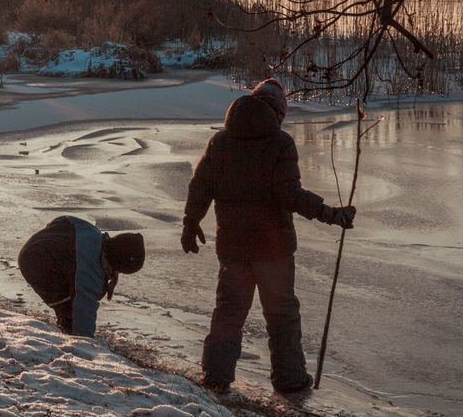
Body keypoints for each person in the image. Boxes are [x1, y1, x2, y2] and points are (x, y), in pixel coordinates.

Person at [181, 78, 355, 395]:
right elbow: (289, 194)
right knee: (281, 317)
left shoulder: (221, 142)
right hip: (273, 250)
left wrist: (191, 221)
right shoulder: (280, 143)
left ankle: (216, 378)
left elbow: (201, 185)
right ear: (277, 111)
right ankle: (289, 381)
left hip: (233, 248)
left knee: (229, 313)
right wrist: (330, 214)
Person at [18, 215, 145, 336]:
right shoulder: (91, 270)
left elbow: (64, 220)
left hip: (37, 243)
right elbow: (85, 307)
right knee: (69, 309)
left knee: (71, 301)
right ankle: (71, 339)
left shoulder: (94, 234)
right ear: (117, 261)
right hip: (34, 262)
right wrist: (86, 340)